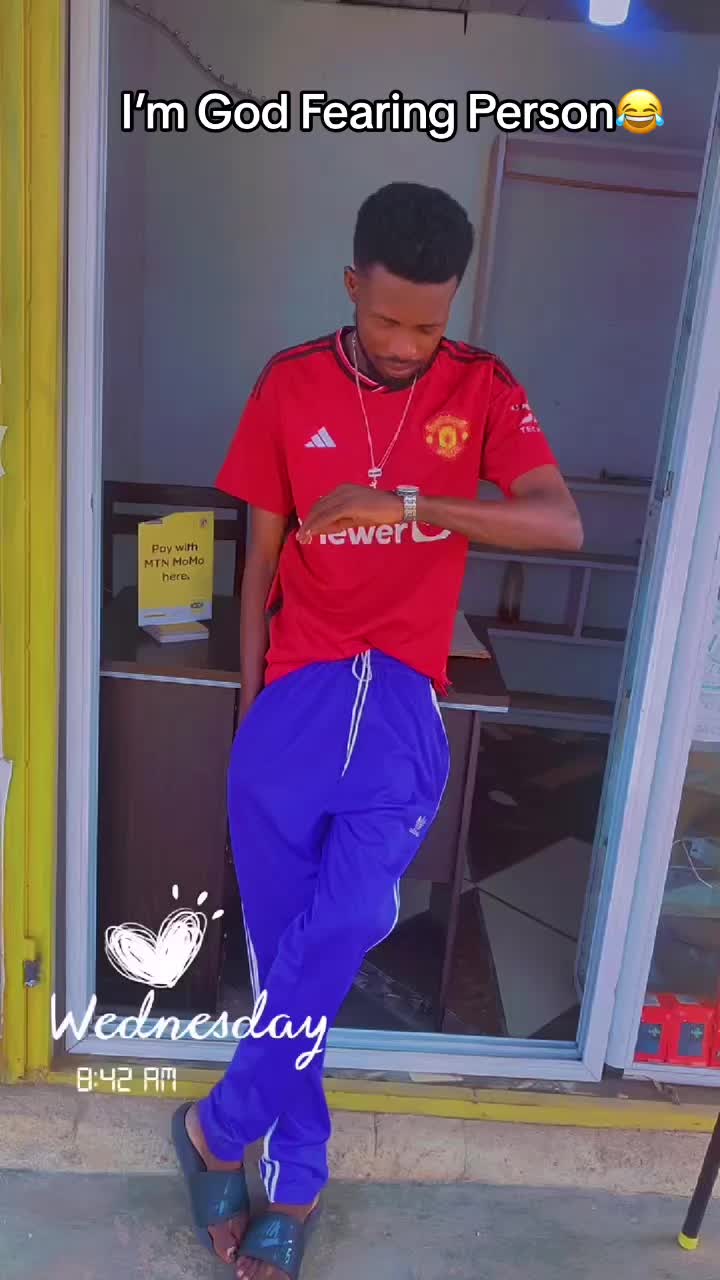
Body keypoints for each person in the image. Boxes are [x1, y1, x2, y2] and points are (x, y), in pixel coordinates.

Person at [172, 181, 583, 1279]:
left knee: (349, 919)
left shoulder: (483, 387)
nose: (405, 346)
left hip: (398, 700)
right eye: (387, 318)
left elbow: (558, 520)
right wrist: (252, 716)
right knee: (288, 966)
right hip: (293, 701)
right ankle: (298, 1173)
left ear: (455, 308)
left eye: (428, 327)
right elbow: (260, 560)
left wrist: (408, 504)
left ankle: (217, 1126)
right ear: (351, 284)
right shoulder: (290, 382)